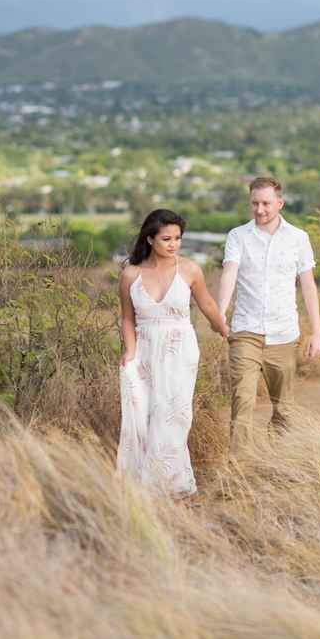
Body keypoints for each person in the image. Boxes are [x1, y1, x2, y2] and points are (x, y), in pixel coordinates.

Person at [117, 209, 229, 497]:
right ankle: (141, 486)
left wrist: (224, 329)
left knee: (173, 415)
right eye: (166, 238)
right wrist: (129, 351)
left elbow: (206, 305)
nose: (173, 244)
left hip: (180, 351)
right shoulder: (131, 274)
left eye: (178, 238)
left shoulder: (190, 269)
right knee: (140, 417)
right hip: (142, 351)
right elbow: (127, 318)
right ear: (150, 238)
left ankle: (171, 485)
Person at [217, 176, 320, 456]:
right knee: (242, 401)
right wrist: (220, 312)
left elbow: (308, 286)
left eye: (266, 203)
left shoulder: (299, 238)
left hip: (283, 334)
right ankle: (238, 469)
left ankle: (279, 461)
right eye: (255, 203)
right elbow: (229, 272)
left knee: (284, 408)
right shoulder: (237, 236)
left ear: (280, 203)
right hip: (245, 331)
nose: (260, 210)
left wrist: (317, 333)